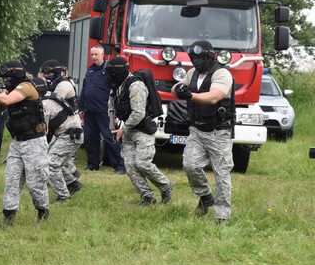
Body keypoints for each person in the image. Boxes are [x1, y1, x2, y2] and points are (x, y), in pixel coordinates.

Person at [172, 40, 235, 223]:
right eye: (194, 58)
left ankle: (222, 215)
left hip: (218, 132)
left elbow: (215, 96)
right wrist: (179, 89)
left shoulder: (222, 73)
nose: (196, 62)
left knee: (221, 173)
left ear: (209, 56)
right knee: (190, 165)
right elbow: (178, 88)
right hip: (197, 130)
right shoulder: (192, 73)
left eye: (200, 58)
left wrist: (190, 95)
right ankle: (206, 197)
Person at [0, 61, 50, 223]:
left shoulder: (26, 87)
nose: (5, 82)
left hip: (34, 142)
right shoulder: (13, 88)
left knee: (35, 183)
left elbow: (7, 100)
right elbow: (4, 98)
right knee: (11, 179)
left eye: (7, 78)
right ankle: (9, 216)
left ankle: (43, 211)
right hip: (17, 142)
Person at [106, 57, 172, 206]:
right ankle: (147, 196)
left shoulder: (136, 85)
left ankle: (165, 186)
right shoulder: (117, 86)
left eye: (111, 72)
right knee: (130, 167)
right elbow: (113, 107)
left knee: (142, 163)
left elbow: (138, 113)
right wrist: (114, 126)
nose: (109, 75)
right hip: (128, 130)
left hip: (143, 130)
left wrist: (123, 128)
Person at [40, 60, 83, 202]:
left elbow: (50, 113)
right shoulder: (53, 88)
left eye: (49, 74)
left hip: (70, 132)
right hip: (65, 132)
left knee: (51, 164)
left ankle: (63, 196)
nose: (46, 77)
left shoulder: (63, 85)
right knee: (59, 162)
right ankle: (73, 184)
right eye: (44, 74)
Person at [80, 46, 125, 173]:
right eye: (92, 54)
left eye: (96, 54)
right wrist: (81, 107)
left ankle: (120, 166)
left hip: (103, 111)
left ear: (102, 55)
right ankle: (92, 164)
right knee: (90, 138)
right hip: (89, 111)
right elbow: (85, 90)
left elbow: (116, 89)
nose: (93, 57)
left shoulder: (108, 70)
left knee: (108, 138)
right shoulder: (90, 70)